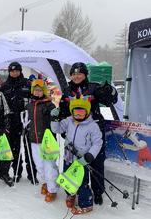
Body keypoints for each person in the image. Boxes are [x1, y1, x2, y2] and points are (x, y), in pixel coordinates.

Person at [58, 62, 118, 205]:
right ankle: (71, 190)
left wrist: (109, 91)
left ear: (85, 75)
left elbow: (112, 100)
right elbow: (62, 110)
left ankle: (97, 192)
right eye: (73, 73)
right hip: (74, 131)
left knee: (95, 162)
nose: (76, 76)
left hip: (94, 129)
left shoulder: (94, 87)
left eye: (79, 73)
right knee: (71, 163)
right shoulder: (66, 91)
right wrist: (62, 126)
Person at [51, 96, 103, 214]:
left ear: (87, 112)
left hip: (82, 160)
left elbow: (97, 142)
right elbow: (57, 130)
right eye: (76, 112)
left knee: (82, 183)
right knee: (67, 178)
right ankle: (71, 194)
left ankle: (86, 203)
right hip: (68, 157)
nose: (78, 115)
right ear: (72, 112)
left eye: (81, 112)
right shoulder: (68, 121)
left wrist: (90, 155)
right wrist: (54, 119)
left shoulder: (92, 126)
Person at [0, 62, 38, 184]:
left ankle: (32, 173)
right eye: (12, 71)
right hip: (12, 122)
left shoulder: (27, 84)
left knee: (29, 148)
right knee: (15, 149)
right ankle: (17, 171)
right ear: (9, 72)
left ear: (20, 71)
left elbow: (36, 98)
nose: (14, 73)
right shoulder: (5, 86)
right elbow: (1, 105)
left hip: (27, 121)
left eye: (17, 71)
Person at [25, 79, 58, 202]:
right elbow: (28, 120)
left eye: (40, 90)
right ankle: (45, 183)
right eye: (35, 90)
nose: (37, 92)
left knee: (49, 166)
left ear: (44, 91)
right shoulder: (30, 105)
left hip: (47, 141)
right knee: (39, 165)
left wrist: (54, 115)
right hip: (34, 140)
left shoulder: (49, 105)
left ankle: (52, 189)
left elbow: (55, 121)